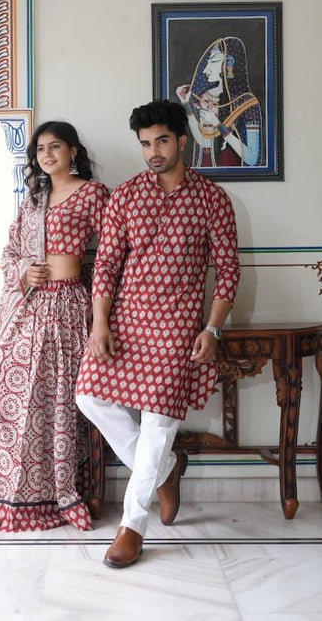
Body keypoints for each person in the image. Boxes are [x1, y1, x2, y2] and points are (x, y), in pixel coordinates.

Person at [76, 99, 240, 568]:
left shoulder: (212, 199)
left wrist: (212, 327)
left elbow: (228, 271)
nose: (153, 151)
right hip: (125, 319)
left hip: (177, 325)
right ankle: (167, 470)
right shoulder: (126, 196)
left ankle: (132, 527)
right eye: (146, 143)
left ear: (182, 140)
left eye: (161, 140)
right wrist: (101, 322)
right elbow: (105, 263)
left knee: (156, 424)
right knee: (89, 396)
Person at [0, 121, 110, 532]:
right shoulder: (35, 199)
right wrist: (23, 271)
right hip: (29, 308)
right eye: (40, 149)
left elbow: (112, 251)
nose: (47, 155)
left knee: (56, 402)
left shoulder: (93, 194)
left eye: (55, 147)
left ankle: (55, 494)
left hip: (69, 308)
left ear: (73, 151)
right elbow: (12, 249)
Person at [176, 36, 262, 168]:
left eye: (214, 61)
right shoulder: (210, 95)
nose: (206, 70)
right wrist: (186, 103)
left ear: (228, 64)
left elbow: (252, 160)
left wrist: (218, 124)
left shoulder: (248, 103)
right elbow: (204, 142)